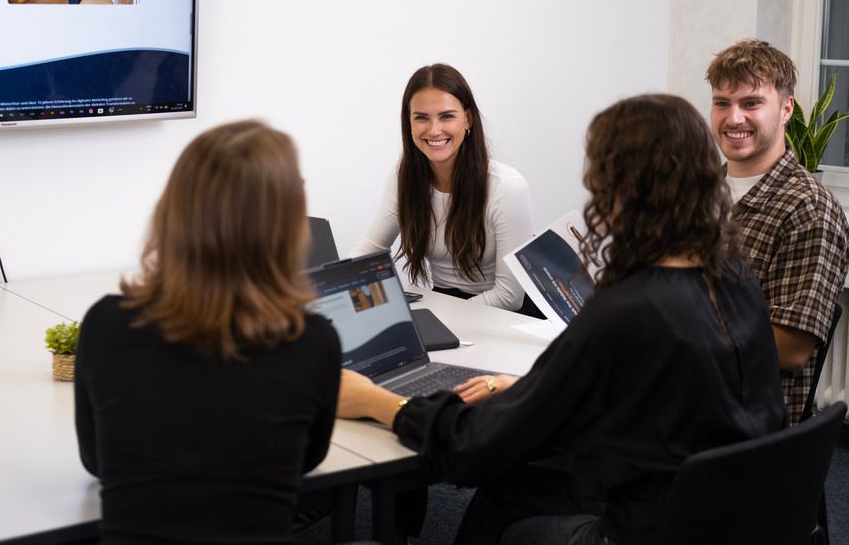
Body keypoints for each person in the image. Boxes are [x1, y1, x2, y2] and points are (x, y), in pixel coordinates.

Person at [338, 94, 786, 545]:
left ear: (616, 187)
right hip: (731, 518)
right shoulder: (734, 280)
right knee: (514, 491)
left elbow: (472, 447)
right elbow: (661, 392)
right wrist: (540, 391)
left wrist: (375, 401)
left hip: (643, 531)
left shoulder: (625, 310)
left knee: (507, 499)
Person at [74, 121, 342, 543]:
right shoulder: (311, 341)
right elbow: (307, 460)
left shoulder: (106, 325)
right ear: (284, 224)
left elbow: (96, 461)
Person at [706, 39, 849, 425]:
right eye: (722, 103)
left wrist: (672, 320)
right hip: (683, 388)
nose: (733, 118)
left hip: (741, 422)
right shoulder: (701, 194)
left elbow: (789, 349)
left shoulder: (809, 210)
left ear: (786, 109)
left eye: (751, 103)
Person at [351, 63, 538, 315]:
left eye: (447, 116)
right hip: (446, 304)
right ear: (409, 123)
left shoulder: (506, 186)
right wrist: (333, 290)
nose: (434, 130)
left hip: (505, 315)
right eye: (421, 118)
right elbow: (371, 247)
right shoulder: (404, 176)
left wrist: (440, 316)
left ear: (468, 119)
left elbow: (509, 295)